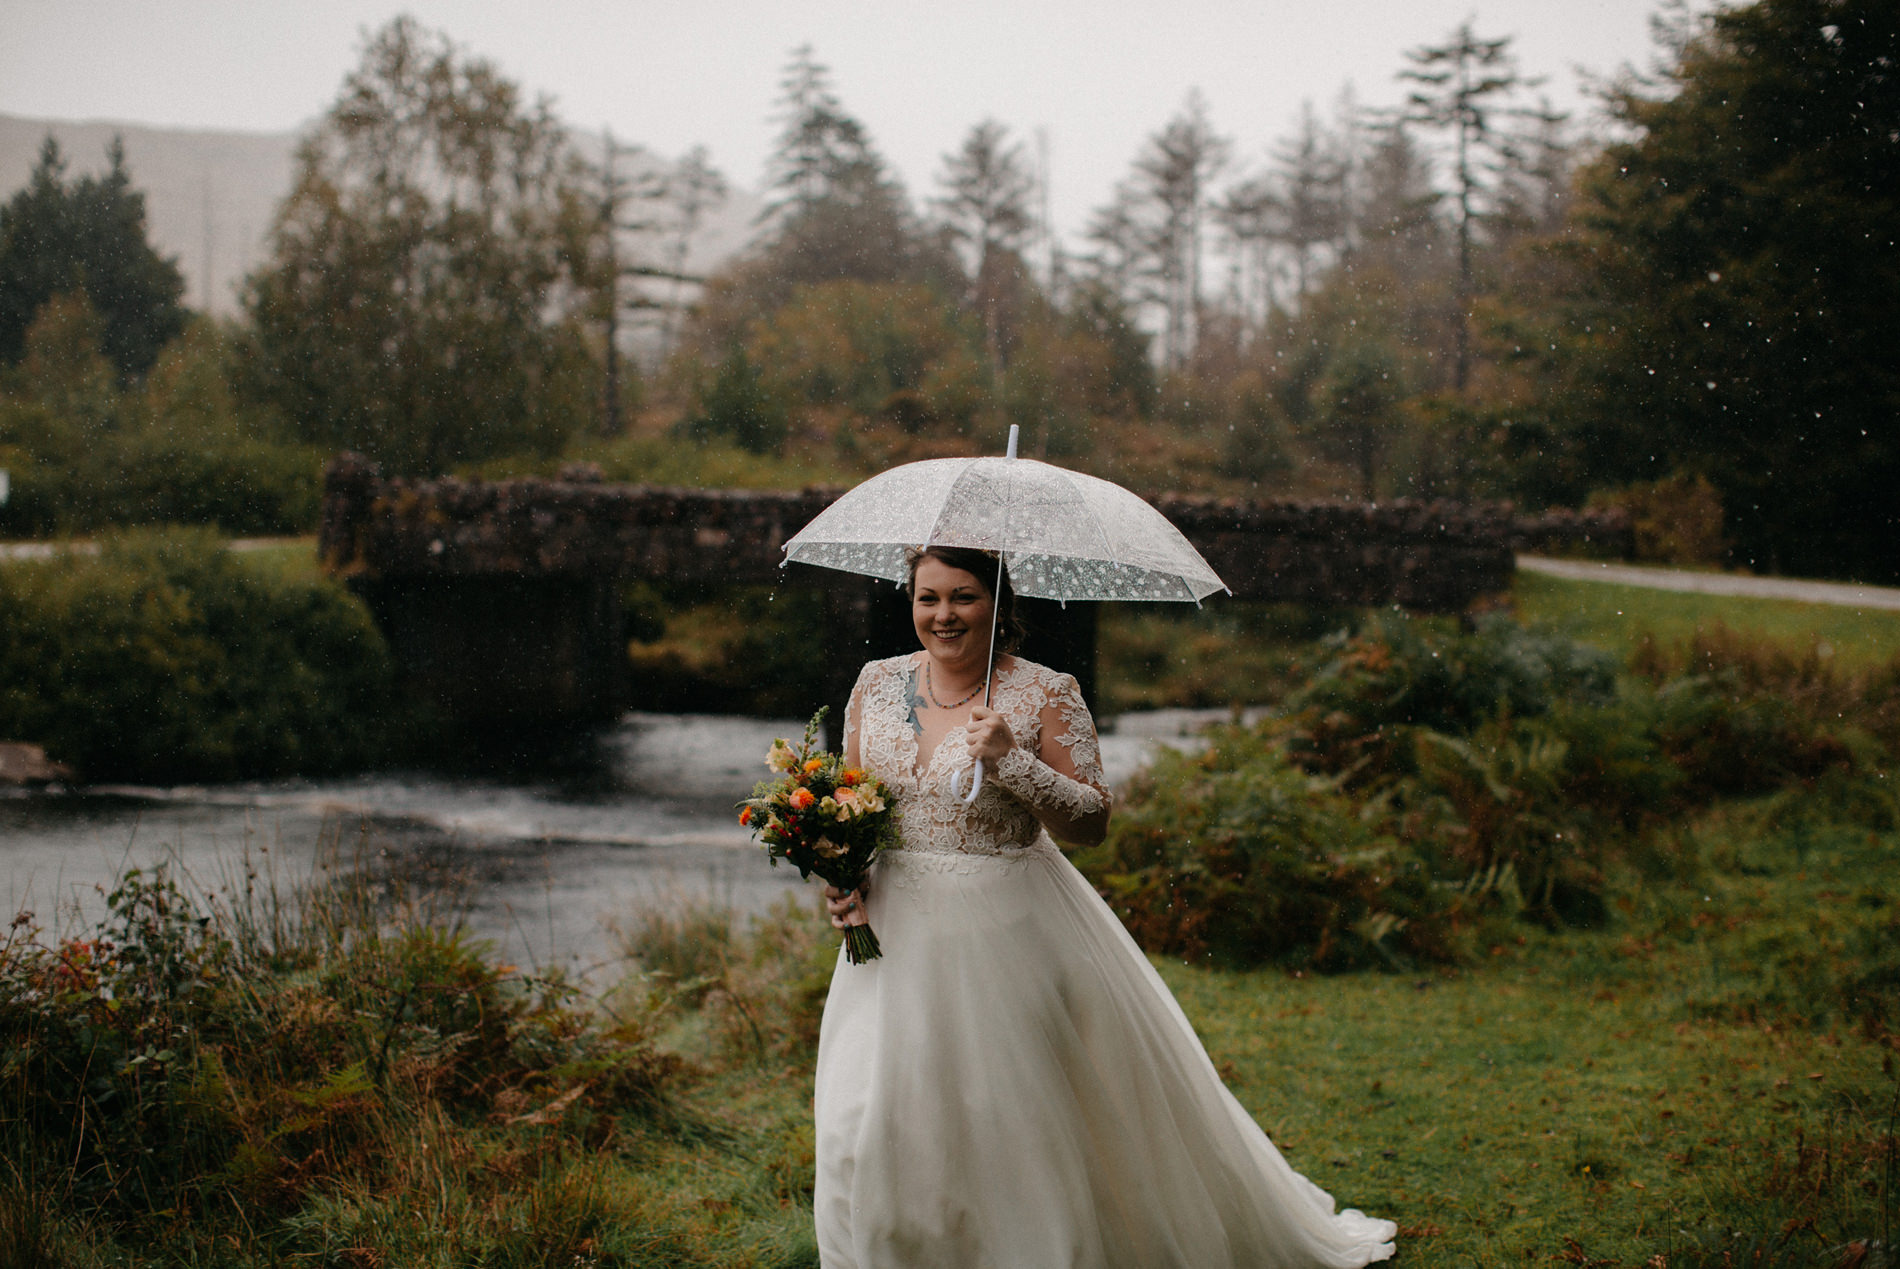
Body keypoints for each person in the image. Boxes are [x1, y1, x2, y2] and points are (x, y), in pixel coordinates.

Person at [812, 544, 1397, 1269]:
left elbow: (1090, 821)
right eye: (927, 597)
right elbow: (852, 801)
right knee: (865, 1116)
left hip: (1004, 929)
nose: (943, 615)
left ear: (998, 602)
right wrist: (841, 876)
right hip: (891, 934)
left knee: (1002, 1116)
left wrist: (1010, 760)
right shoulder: (876, 683)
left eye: (962, 596)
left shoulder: (1046, 692)